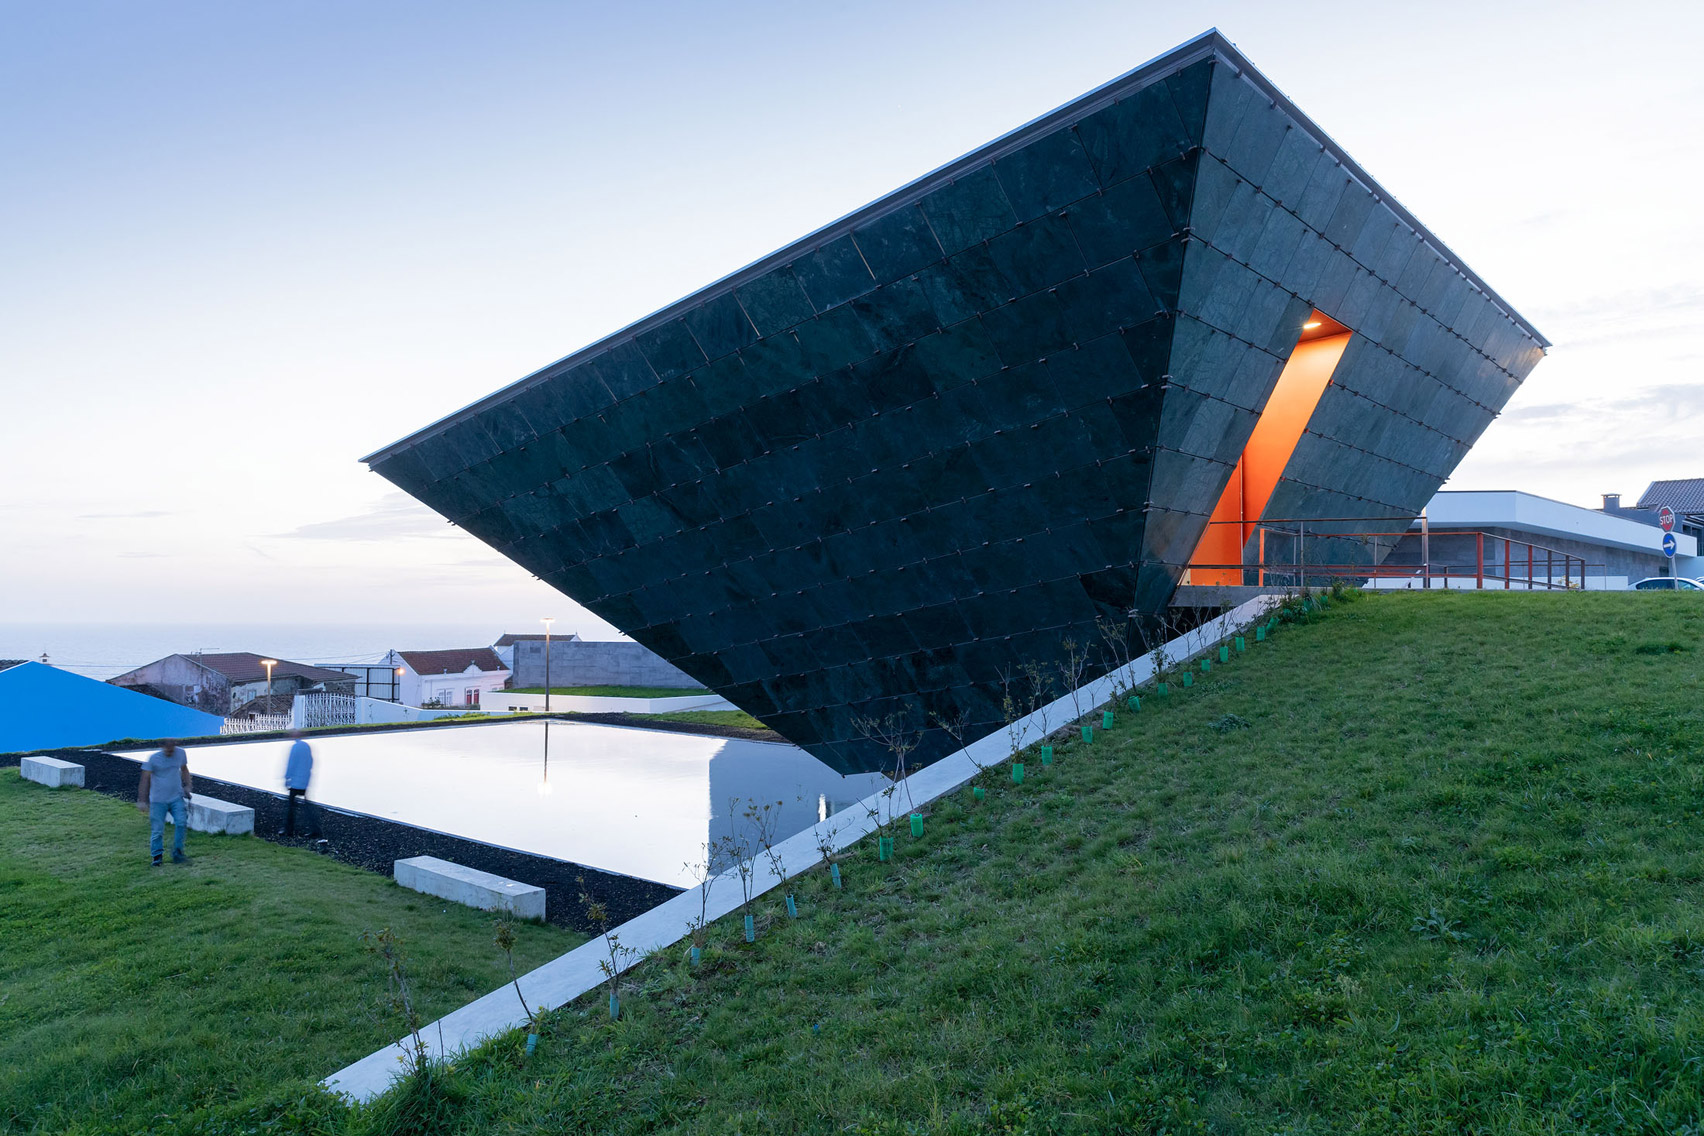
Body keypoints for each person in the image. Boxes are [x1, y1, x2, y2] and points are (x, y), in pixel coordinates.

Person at [137, 738, 193, 867]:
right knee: (157, 830)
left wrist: (188, 786)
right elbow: (145, 779)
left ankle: (178, 852)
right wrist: (142, 800)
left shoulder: (181, 753)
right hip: (158, 800)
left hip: (176, 797)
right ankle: (157, 857)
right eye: (167, 747)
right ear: (161, 746)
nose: (170, 749)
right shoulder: (153, 759)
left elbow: (184, 769)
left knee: (181, 822)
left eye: (172, 746)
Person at [282, 729, 322, 839]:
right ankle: (315, 829)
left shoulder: (295, 747)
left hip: (296, 782)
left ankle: (289, 830)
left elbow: (291, 764)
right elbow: (310, 762)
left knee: (291, 807)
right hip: (304, 780)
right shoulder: (306, 746)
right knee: (307, 807)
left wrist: (286, 778)